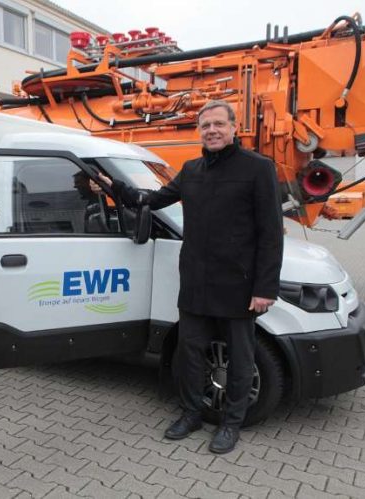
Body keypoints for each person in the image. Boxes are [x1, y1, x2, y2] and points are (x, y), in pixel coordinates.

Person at [100, 99, 283, 454]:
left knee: (241, 358)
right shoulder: (192, 169)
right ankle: (191, 412)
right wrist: (113, 188)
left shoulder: (258, 168)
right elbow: (152, 200)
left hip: (239, 284)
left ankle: (231, 423)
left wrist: (265, 288)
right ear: (199, 131)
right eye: (205, 126)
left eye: (219, 124)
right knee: (190, 352)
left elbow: (271, 233)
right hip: (196, 281)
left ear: (233, 128)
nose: (212, 130)